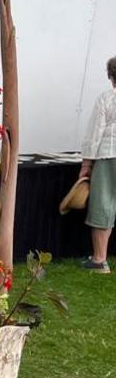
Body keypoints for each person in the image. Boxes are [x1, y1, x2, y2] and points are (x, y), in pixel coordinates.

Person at [79, 56, 116, 273]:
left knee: (103, 206)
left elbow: (95, 133)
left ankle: (99, 259)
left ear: (111, 76)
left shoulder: (107, 98)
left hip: (110, 155)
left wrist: (86, 164)